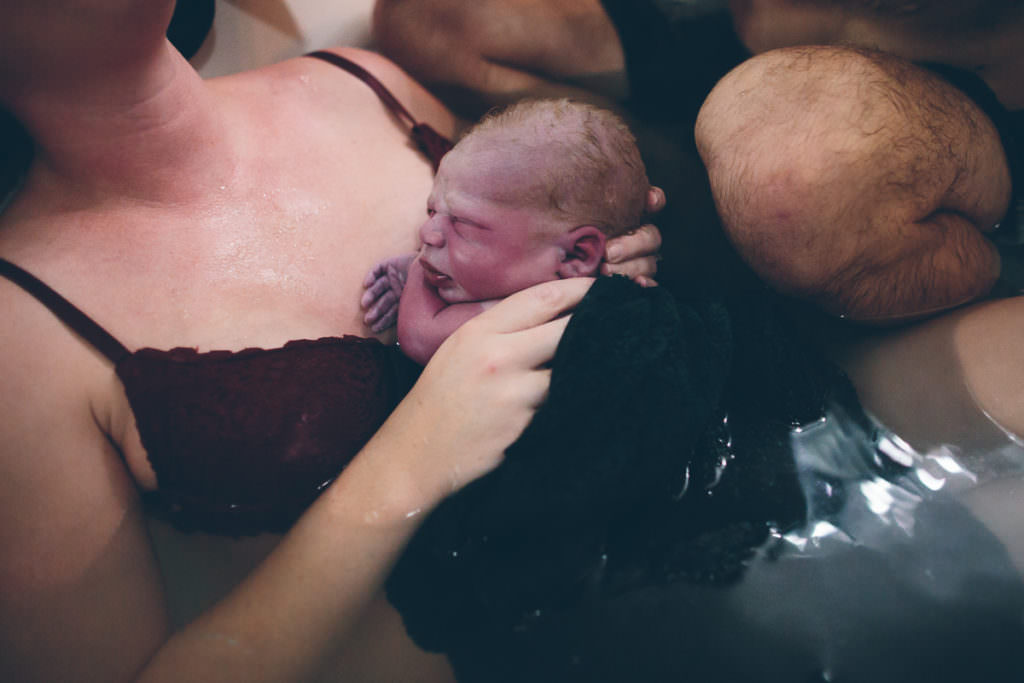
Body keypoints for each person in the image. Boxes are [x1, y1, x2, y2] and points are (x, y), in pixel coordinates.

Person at [0, 1, 664, 681]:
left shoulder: (360, 82)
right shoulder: (16, 338)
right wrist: (411, 457)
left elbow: (571, 221)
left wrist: (614, 264)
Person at [372, 0, 1024, 322]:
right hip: (734, 19)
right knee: (430, 18)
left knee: (790, 185)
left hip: (960, 70)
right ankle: (666, 216)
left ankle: (994, 259)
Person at [361, 98, 654, 364]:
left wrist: (418, 271)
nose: (427, 233)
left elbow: (418, 337)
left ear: (575, 255)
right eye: (432, 211)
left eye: (463, 223)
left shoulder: (550, 314)